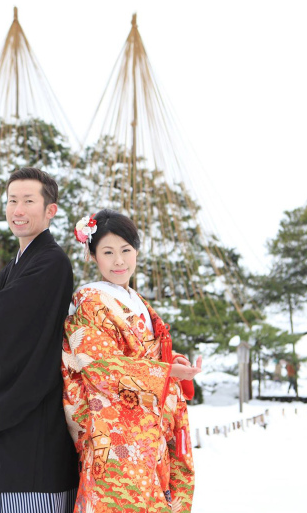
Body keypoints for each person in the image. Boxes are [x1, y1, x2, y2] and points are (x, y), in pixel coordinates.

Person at [61, 209, 200, 513]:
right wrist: (165, 371)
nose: (119, 261)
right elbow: (100, 368)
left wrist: (173, 361)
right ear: (92, 256)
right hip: (116, 432)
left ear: (136, 251)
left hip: (152, 424)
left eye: (126, 250)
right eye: (108, 252)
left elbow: (150, 353)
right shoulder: (89, 301)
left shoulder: (136, 301)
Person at [0, 167, 79, 513]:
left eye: (29, 200)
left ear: (50, 210)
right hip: (10, 402)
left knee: (33, 497)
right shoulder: (19, 264)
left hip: (33, 402)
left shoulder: (51, 262)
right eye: (12, 200)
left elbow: (6, 313)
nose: (18, 209)